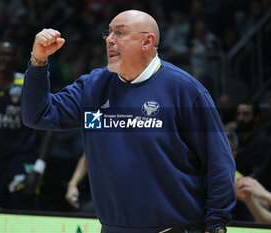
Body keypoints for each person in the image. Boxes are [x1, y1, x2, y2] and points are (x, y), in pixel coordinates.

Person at [22, 10, 236, 233]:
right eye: (108, 33)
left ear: (147, 41)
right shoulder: (93, 87)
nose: (109, 39)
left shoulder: (185, 90)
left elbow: (218, 161)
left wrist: (217, 222)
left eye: (120, 33)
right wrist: (38, 61)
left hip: (176, 228)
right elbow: (37, 114)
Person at [0, 40, 48, 210]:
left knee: (21, 207)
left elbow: (48, 129)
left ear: (16, 58)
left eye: (8, 54)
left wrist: (38, 169)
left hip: (23, 161)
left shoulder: (26, 84)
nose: (3, 58)